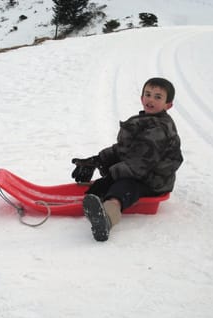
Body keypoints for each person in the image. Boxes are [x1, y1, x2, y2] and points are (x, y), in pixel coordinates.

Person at [71, 77, 183, 242]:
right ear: (141, 97)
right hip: (139, 172)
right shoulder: (144, 121)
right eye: (148, 94)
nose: (151, 99)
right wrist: (97, 160)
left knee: (121, 188)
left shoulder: (159, 129)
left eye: (158, 97)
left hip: (153, 180)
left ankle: (108, 217)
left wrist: (111, 175)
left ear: (168, 105)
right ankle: (96, 200)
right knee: (104, 185)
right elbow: (123, 149)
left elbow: (139, 164)